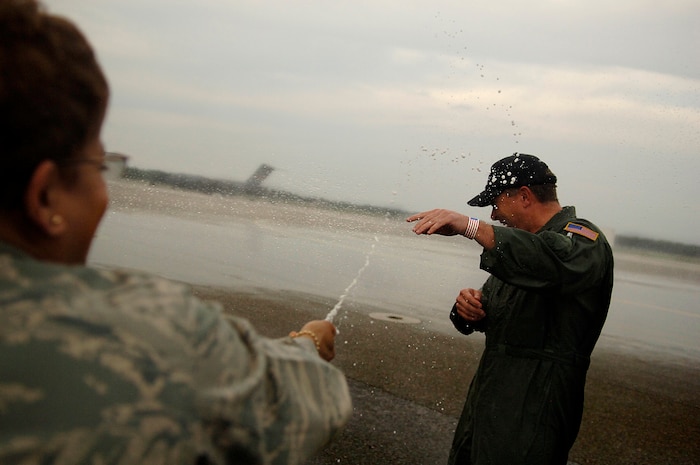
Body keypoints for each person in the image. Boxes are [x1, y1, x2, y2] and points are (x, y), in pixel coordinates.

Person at [0, 1, 351, 464]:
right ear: (44, 197)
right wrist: (309, 341)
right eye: (97, 166)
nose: (104, 187)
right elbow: (309, 400)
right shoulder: (144, 332)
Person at [407, 153, 614, 465]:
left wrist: (471, 226)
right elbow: (496, 302)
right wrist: (468, 308)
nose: (494, 214)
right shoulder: (521, 248)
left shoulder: (582, 240)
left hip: (535, 405)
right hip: (489, 398)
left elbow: (551, 263)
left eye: (496, 202)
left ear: (525, 196)